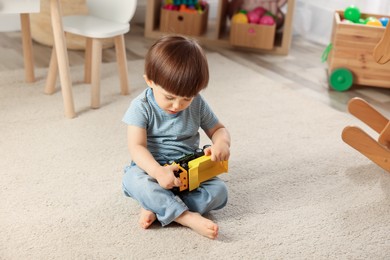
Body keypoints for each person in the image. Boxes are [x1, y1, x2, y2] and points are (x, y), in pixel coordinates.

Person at [122, 35, 231, 239]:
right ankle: (185, 216)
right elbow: (136, 147)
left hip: (188, 172)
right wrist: (158, 171)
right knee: (132, 180)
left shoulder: (198, 103)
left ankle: (157, 207)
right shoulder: (141, 107)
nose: (177, 106)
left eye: (186, 98)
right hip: (151, 170)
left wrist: (221, 142)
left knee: (219, 192)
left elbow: (218, 129)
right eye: (169, 97)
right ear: (150, 81)